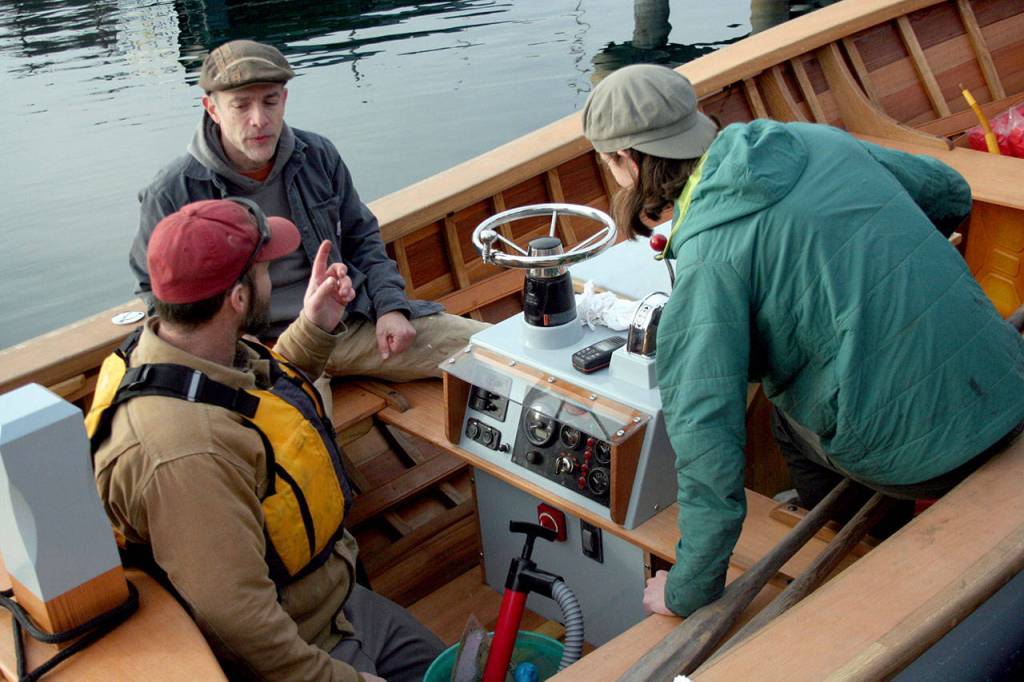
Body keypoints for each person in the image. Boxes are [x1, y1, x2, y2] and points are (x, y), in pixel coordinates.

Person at [581, 64, 1024, 618]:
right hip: (1008, 378)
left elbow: (705, 433)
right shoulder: (813, 139)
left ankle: (865, 544)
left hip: (924, 457)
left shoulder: (710, 256)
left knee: (783, 418)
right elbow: (950, 193)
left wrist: (686, 590)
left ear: (625, 160)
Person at [88, 199, 444, 681]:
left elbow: (256, 401)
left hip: (337, 603)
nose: (273, 276)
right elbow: (244, 629)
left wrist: (314, 327)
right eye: (264, 267)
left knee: (466, 669)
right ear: (237, 298)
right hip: (299, 648)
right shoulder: (183, 455)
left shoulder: (198, 348)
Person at [128, 39, 485, 382]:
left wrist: (391, 307)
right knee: (303, 438)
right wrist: (228, 350)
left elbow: (362, 236)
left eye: (270, 102)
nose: (259, 120)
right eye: (240, 105)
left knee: (500, 355)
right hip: (259, 353)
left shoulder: (317, 155)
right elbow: (154, 292)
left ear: (284, 100)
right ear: (213, 109)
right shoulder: (173, 192)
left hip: (349, 324)